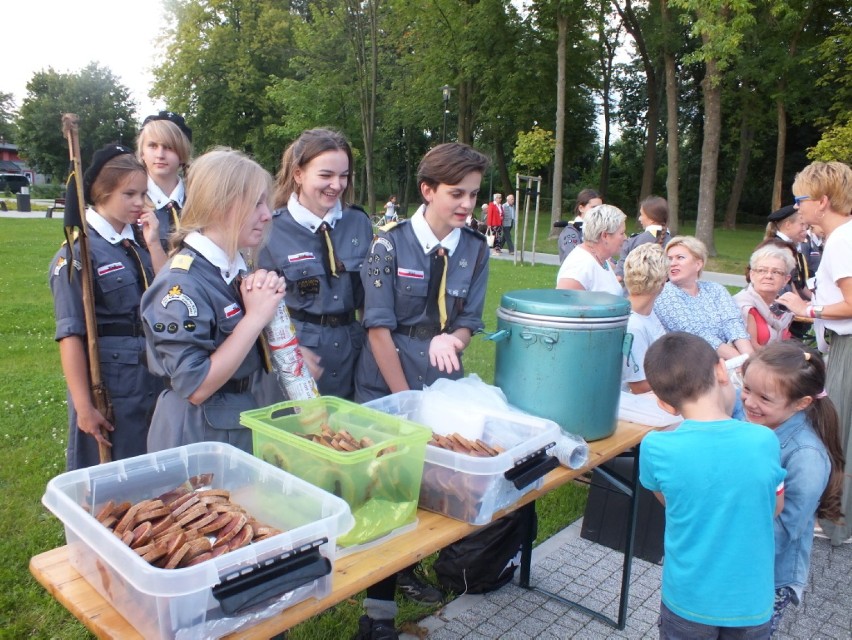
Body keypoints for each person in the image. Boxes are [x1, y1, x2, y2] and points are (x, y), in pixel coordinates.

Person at [353, 142, 490, 640]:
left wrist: (452, 337)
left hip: (442, 387)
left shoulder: (474, 248)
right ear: (427, 190)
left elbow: (470, 321)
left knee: (436, 485)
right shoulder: (387, 245)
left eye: (474, 195)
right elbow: (377, 330)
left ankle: (410, 566)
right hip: (389, 385)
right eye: (456, 193)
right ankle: (378, 612)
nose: (466, 205)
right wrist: (406, 403)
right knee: (387, 490)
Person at [640, 331, 786, 639]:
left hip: (687, 599)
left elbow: (670, 501)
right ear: (722, 370)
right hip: (751, 600)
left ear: (664, 404)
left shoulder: (654, 447)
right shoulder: (764, 440)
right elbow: (774, 507)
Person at [141, 147, 284, 454]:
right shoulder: (181, 283)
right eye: (256, 202)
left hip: (234, 422)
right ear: (221, 205)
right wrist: (255, 317)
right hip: (199, 435)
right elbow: (195, 385)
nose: (266, 214)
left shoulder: (231, 269)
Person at [49, 144, 167, 470]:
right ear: (102, 193)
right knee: (109, 477)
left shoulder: (139, 243)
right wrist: (84, 406)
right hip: (113, 386)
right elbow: (71, 334)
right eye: (129, 194)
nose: (140, 203)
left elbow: (168, 293)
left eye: (144, 193)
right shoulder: (78, 255)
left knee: (150, 470)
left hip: (151, 376)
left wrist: (154, 242)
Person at [255, 128, 373, 400]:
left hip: (351, 353)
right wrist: (284, 352)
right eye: (326, 175)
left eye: (344, 176)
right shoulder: (271, 228)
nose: (337, 184)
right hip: (297, 354)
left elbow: (371, 297)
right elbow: (257, 309)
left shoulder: (358, 223)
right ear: (298, 174)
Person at [738, 343, 844, 634]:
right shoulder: (759, 415)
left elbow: (782, 531)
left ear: (801, 403)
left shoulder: (806, 458)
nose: (748, 402)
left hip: (766, 574)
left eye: (763, 397)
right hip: (736, 557)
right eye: (746, 388)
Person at [777, 160, 852, 546]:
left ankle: (837, 520)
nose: (797, 207)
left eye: (800, 199)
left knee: (839, 431)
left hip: (848, 344)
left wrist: (809, 310)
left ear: (822, 201)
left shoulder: (841, 239)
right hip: (841, 342)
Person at [654, 235, 754, 359]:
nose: (673, 263)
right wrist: (741, 361)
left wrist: (750, 357)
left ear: (698, 264)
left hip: (726, 361)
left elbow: (733, 323)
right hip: (688, 365)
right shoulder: (664, 293)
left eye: (680, 258)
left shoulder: (715, 289)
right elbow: (695, 334)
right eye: (669, 259)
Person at [136, 111, 193, 251]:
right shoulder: (132, 203)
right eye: (152, 146)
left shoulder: (199, 201)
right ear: (142, 152)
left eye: (169, 147)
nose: (160, 155)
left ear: (182, 153)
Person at [621, 244, 668, 394]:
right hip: (636, 404)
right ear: (661, 282)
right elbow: (639, 386)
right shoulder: (633, 326)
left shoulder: (647, 313)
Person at [733, 243, 796, 349]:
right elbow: (751, 348)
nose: (769, 276)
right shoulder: (743, 305)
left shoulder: (783, 308)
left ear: (786, 280)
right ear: (752, 275)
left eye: (776, 272)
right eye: (762, 270)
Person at [555, 204, 626, 297]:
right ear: (605, 235)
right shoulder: (579, 267)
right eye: (622, 233)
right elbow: (563, 306)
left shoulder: (600, 259)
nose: (625, 238)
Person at [614, 195, 670, 281]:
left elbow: (619, 276)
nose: (639, 218)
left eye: (642, 214)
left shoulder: (632, 241)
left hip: (634, 292)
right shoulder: (674, 244)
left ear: (652, 219)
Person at [557, 188, 602, 263]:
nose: (598, 211)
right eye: (593, 207)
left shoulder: (598, 230)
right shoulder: (571, 232)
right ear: (581, 208)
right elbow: (573, 259)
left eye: (600, 208)